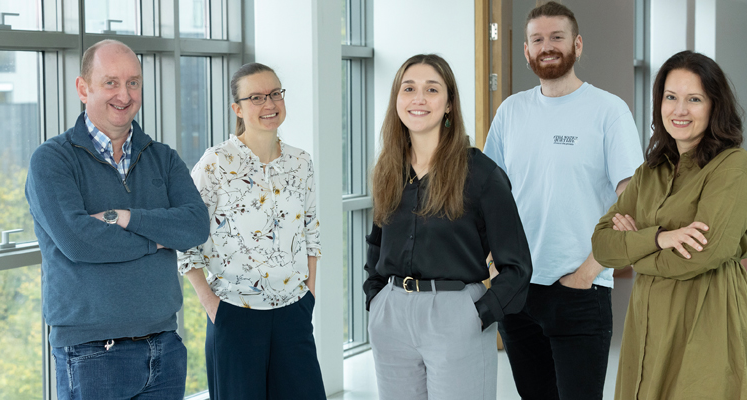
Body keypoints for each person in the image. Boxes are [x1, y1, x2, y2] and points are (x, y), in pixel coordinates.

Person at [24, 39, 210, 399]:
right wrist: (156, 239)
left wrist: (125, 217)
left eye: (133, 82)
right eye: (111, 82)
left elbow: (194, 227)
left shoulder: (163, 158)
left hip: (166, 346)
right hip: (91, 351)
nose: (124, 95)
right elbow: (79, 240)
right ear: (83, 88)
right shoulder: (52, 160)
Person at [482, 2, 644, 399]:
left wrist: (586, 274)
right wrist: (492, 268)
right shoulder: (510, 112)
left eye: (557, 37)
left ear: (578, 44)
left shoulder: (608, 111)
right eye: (537, 39)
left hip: (581, 290)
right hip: (517, 289)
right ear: (526, 50)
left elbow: (633, 200)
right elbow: (487, 195)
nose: (547, 46)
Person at [592, 50, 747, 400]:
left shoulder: (734, 167)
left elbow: (701, 254)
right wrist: (661, 239)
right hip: (647, 322)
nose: (679, 110)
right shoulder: (649, 171)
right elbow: (602, 245)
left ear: (715, 106)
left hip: (708, 317)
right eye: (671, 97)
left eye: (694, 99)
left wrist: (637, 246)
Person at [363, 53, 531, 400]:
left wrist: (478, 314)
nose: (419, 99)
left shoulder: (480, 173)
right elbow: (378, 242)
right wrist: (375, 298)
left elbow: (516, 266)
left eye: (432, 89)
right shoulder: (388, 169)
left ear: (449, 103)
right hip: (392, 315)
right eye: (408, 89)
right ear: (397, 99)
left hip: (455, 313)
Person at [177, 62, 325, 400]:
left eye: (275, 94)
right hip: (234, 313)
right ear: (238, 108)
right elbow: (186, 241)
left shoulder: (300, 162)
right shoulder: (215, 163)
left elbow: (311, 234)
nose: (269, 104)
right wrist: (213, 306)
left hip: (294, 311)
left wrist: (309, 296)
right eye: (256, 97)